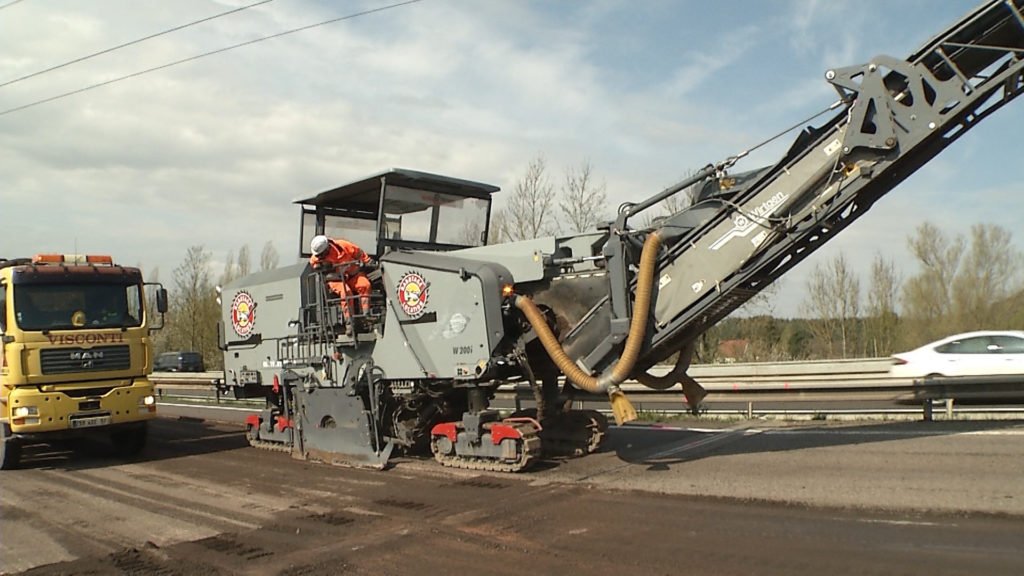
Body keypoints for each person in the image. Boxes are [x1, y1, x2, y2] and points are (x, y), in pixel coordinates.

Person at [309, 235, 374, 333]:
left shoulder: (344, 245)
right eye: (318, 255)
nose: (319, 257)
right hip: (336, 280)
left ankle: (366, 315)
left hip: (353, 275)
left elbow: (358, 252)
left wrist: (368, 261)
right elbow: (323, 274)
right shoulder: (315, 260)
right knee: (346, 292)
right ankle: (350, 323)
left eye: (321, 254)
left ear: (327, 248)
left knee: (365, 285)